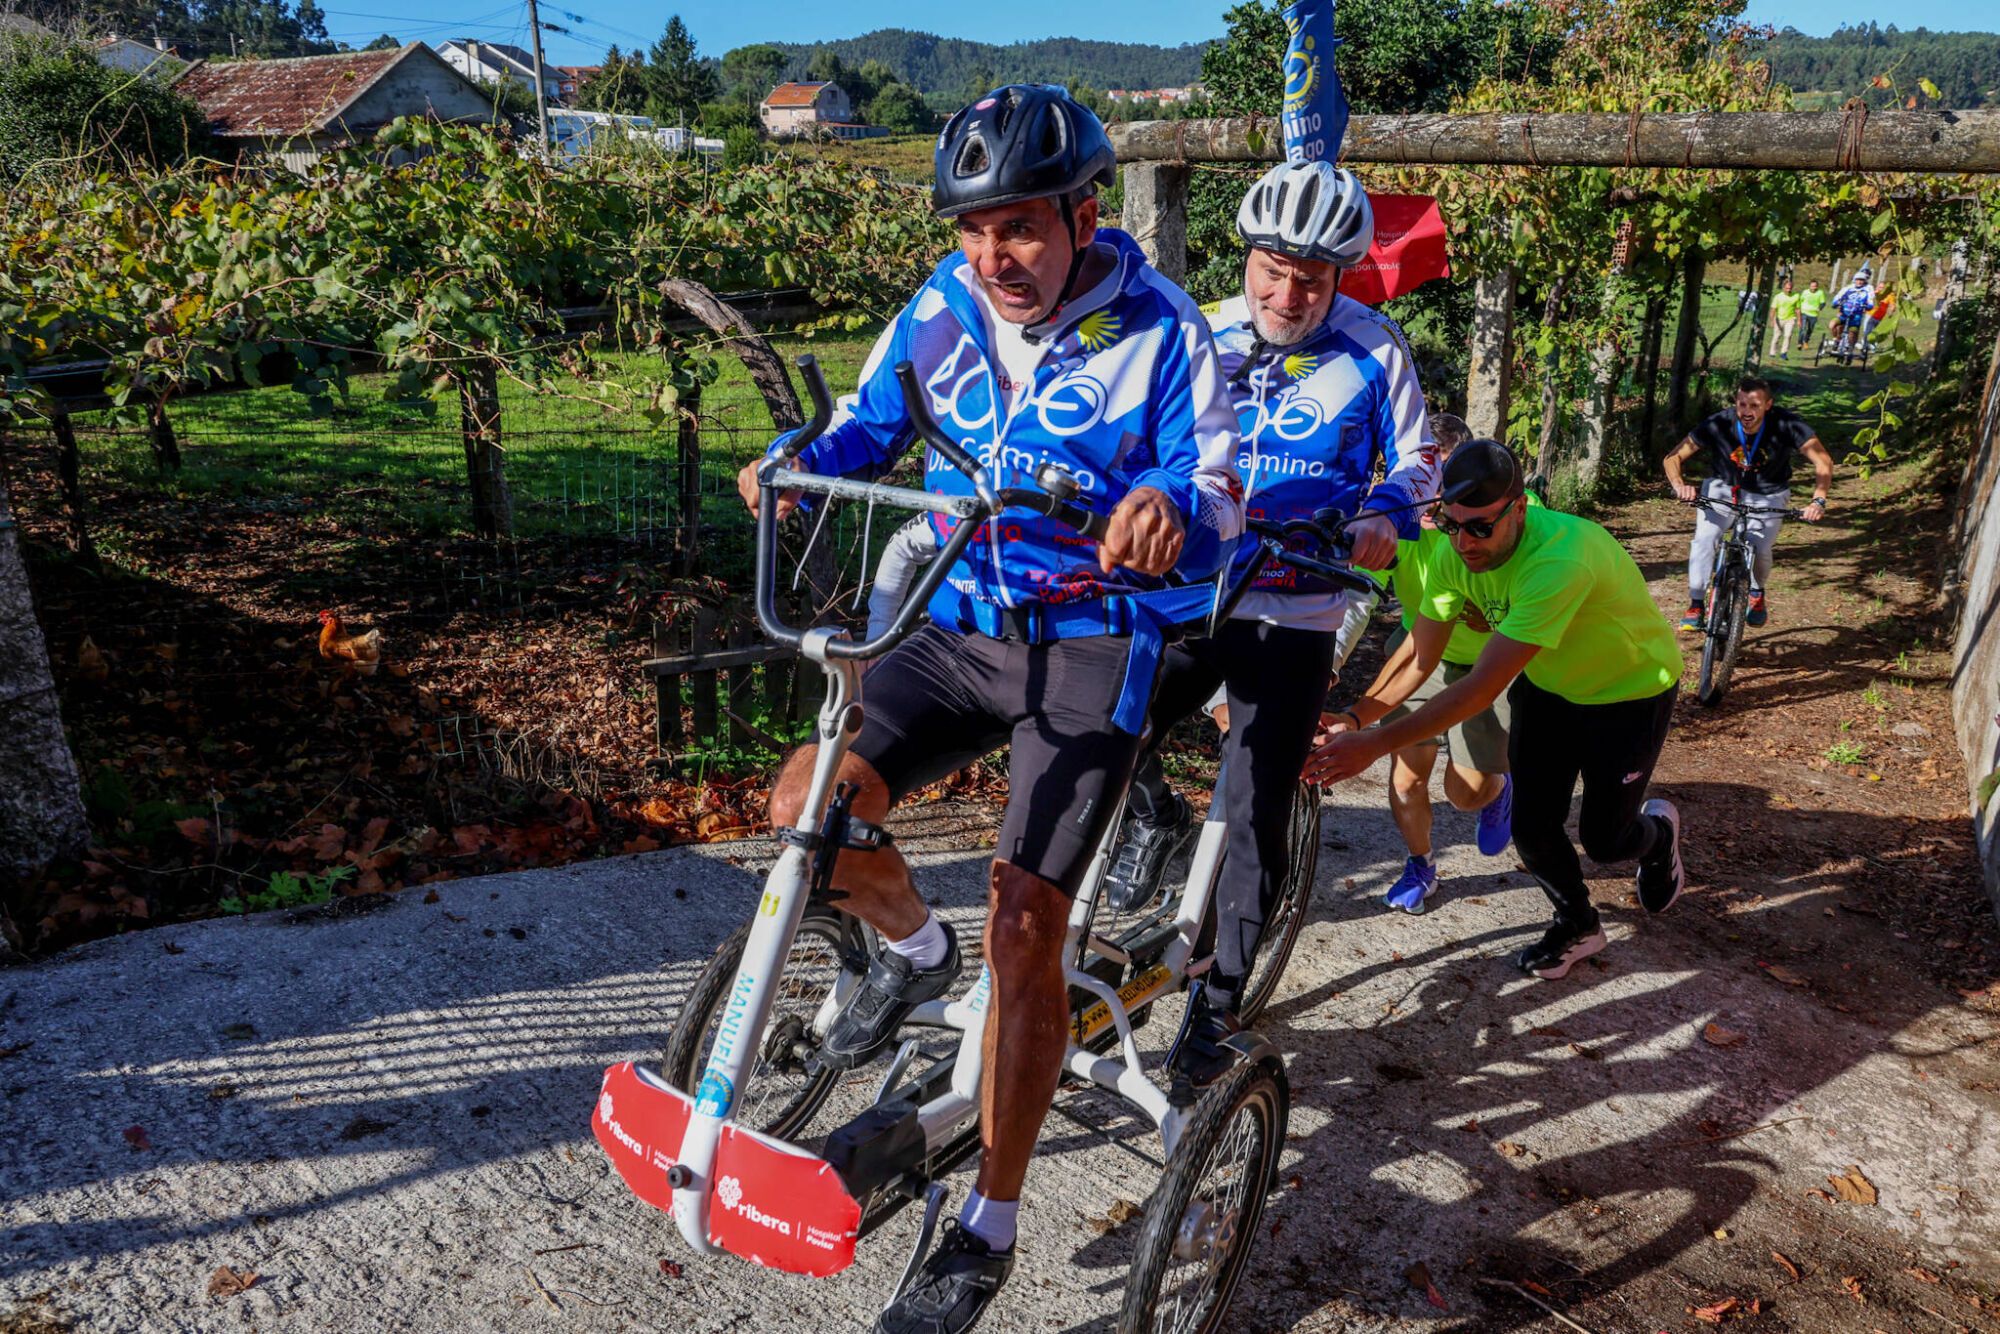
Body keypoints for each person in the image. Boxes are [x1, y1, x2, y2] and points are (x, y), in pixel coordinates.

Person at [734, 85, 1245, 1334]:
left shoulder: (1163, 329)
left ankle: (987, 1224)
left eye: (1017, 226)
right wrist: (793, 467)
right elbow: (863, 427)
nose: (991, 256)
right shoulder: (939, 309)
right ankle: (915, 949)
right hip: (957, 624)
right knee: (804, 806)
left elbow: (1220, 491)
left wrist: (1169, 508)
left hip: (1090, 640)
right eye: (971, 230)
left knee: (1026, 927)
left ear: (1080, 216)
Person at [1095, 160, 1440, 1092]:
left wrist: (1385, 512)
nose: (1287, 295)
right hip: (1188, 592)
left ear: (1342, 276)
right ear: (1246, 256)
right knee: (1090, 727)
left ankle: (1217, 1004)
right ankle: (1151, 822)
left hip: (1297, 603)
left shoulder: (1375, 348)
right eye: (1272, 271)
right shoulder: (1196, 330)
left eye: (1312, 280)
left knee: (1253, 805)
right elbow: (1129, 436)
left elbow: (1420, 460)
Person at [1303, 441, 1686, 980]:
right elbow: (1420, 656)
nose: (1464, 542)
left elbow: (1480, 688)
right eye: (1450, 524)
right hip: (1549, 691)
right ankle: (1577, 923)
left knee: (1605, 841)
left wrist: (1374, 746)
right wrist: (1356, 718)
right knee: (1533, 828)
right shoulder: (1453, 553)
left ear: (1519, 509)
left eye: (1480, 527)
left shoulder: (1560, 559)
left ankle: (1659, 836)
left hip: (1629, 695)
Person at [1346, 417, 1519, 914]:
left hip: (1489, 663)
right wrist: (1330, 666)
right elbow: (1355, 597)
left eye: (1440, 483)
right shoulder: (1394, 522)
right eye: (1416, 481)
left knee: (1464, 794)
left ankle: (1498, 785)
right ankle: (1421, 865)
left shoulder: (1494, 523)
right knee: (1406, 777)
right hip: (1420, 653)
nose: (1427, 498)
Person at [1663, 376, 1832, 631]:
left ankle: (1756, 591)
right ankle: (1696, 603)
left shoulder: (1786, 424)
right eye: (1742, 404)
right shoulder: (1720, 422)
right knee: (1705, 539)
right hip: (1723, 488)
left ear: (1768, 405)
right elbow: (1672, 457)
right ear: (1736, 403)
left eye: (1754, 405)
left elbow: (1823, 461)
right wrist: (1679, 485)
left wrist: (1818, 500)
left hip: (1769, 492)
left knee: (1760, 547)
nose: (1747, 412)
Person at [1832, 268, 1876, 355]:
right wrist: (1836, 302)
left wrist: (1868, 305)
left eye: (1862, 280)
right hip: (1844, 313)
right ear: (1854, 280)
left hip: (1856, 315)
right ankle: (1837, 341)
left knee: (1853, 332)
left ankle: (1850, 347)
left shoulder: (1868, 289)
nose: (1859, 282)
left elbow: (1870, 300)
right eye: (1858, 280)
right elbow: (1838, 296)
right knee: (1833, 325)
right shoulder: (1848, 288)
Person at [1768, 278, 1802, 360]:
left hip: (1790, 319)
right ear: (1783, 288)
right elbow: (1773, 309)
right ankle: (1772, 352)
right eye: (1787, 288)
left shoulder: (1796, 296)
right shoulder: (1778, 297)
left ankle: (1783, 353)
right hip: (1779, 319)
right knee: (1776, 336)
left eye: (1790, 288)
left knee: (1788, 335)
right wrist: (1772, 320)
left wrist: (1799, 320)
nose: (1788, 290)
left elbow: (1797, 309)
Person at [1797, 278, 1827, 346]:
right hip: (1804, 312)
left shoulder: (1820, 293)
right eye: (1812, 286)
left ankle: (1806, 341)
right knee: (1803, 328)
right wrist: (1798, 309)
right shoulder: (1805, 292)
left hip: (1814, 314)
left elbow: (1823, 303)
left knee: (1810, 329)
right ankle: (1800, 343)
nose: (1813, 288)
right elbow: (1800, 301)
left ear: (1817, 286)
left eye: (1815, 286)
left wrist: (1820, 308)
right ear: (1809, 286)